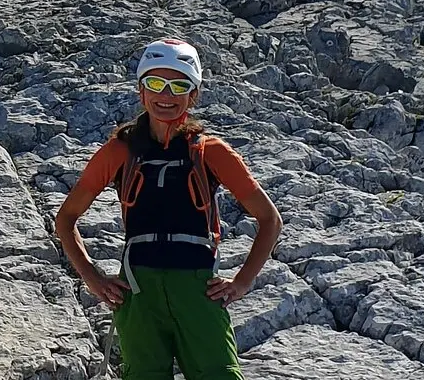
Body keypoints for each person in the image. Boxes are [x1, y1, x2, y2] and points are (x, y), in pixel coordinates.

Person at [53, 39, 283, 380]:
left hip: (197, 290)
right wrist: (92, 278)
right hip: (138, 292)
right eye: (156, 84)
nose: (166, 95)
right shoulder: (120, 151)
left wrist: (242, 281)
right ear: (141, 91)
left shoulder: (211, 151)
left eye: (179, 86)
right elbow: (66, 219)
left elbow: (269, 220)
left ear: (193, 94)